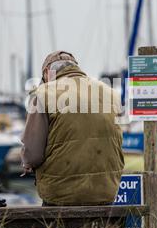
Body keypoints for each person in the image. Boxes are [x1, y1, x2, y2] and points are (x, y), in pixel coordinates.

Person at [21, 51, 124, 206]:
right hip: (106, 191)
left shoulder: (43, 94)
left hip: (59, 194)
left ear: (47, 72)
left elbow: (32, 154)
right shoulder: (110, 93)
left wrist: (27, 163)